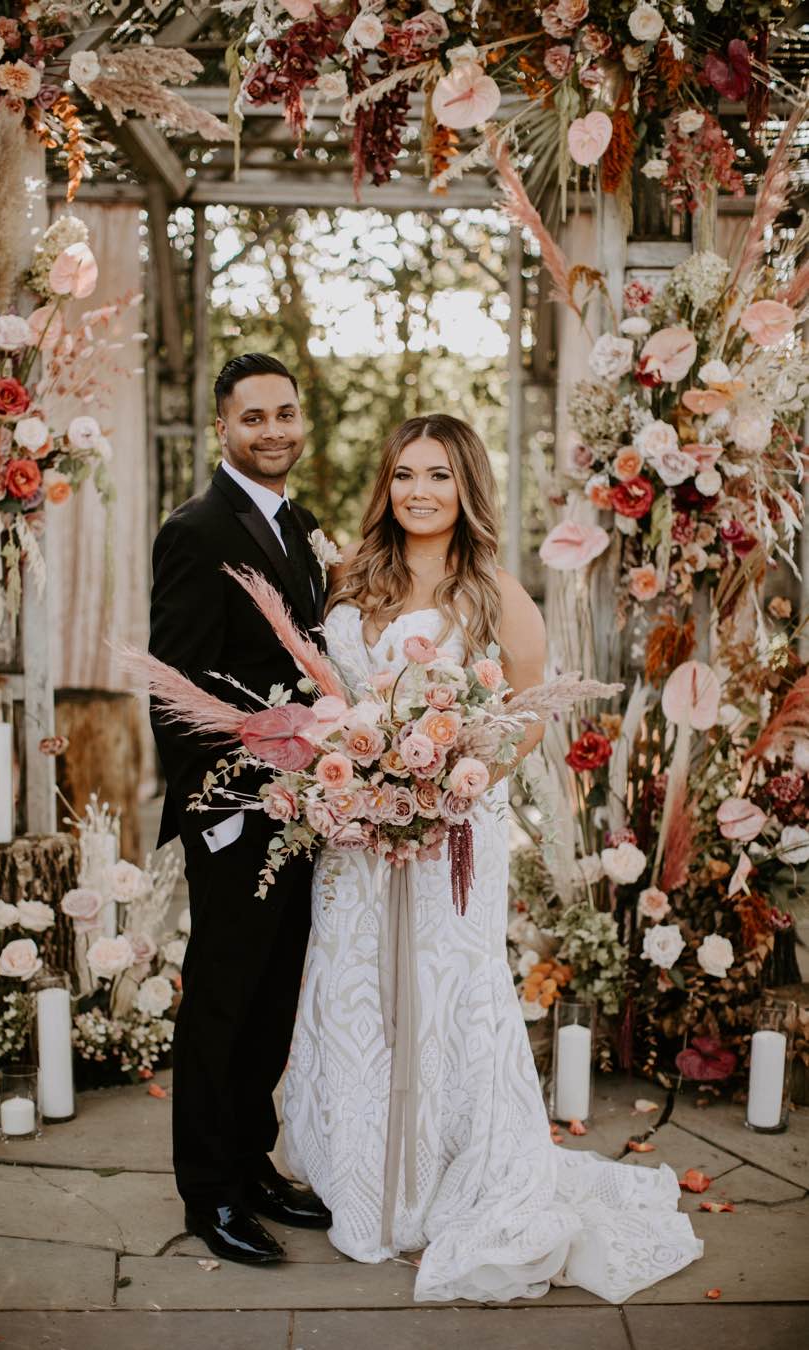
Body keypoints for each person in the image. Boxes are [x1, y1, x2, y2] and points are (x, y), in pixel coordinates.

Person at [282, 414, 703, 1303]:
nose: (418, 491)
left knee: (447, 997)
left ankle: (450, 1180)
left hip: (451, 836)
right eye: (403, 475)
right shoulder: (351, 580)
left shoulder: (494, 591)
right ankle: (364, 1180)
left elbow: (528, 713)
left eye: (437, 473)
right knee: (353, 987)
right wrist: (356, 774)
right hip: (359, 838)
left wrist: (448, 787)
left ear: (467, 484)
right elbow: (330, 699)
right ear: (386, 487)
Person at [149, 353, 330, 1264]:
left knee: (270, 1002)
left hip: (305, 812)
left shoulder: (298, 526)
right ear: (223, 426)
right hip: (236, 818)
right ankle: (209, 1194)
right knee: (220, 1004)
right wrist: (218, 809)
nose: (274, 431)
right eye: (253, 417)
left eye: (286, 414)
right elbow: (175, 688)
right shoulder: (197, 529)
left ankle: (253, 1164)